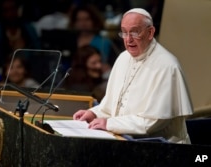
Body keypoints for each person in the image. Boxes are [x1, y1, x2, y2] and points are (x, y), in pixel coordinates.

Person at [73, 8, 193, 144]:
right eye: (124, 33)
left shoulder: (167, 66)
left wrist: (109, 124)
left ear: (150, 32)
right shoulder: (123, 58)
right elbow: (113, 104)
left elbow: (153, 121)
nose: (128, 39)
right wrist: (94, 113)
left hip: (164, 148)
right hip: (126, 142)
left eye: (135, 32)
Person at [69, 4, 119, 68]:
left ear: (94, 20)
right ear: (74, 22)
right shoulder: (69, 42)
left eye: (87, 19)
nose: (83, 23)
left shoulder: (104, 42)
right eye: (79, 20)